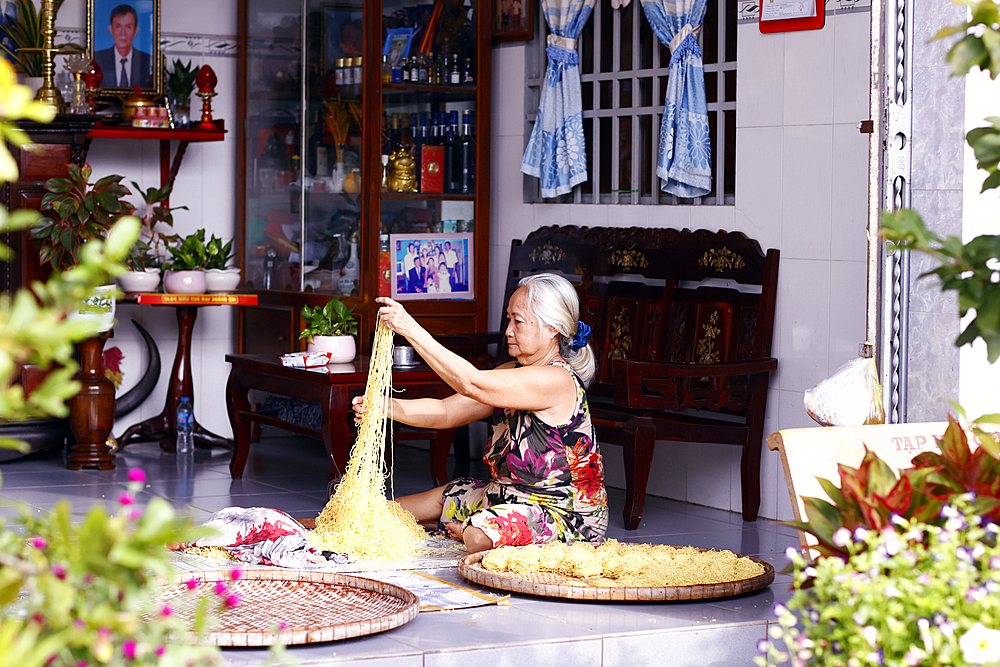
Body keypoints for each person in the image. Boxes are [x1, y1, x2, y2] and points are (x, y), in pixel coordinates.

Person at [352, 273, 607, 552]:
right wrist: (382, 407)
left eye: (518, 322)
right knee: (392, 510)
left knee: (477, 533)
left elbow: (471, 382)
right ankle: (323, 526)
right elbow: (446, 411)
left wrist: (410, 329)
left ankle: (467, 529)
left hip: (561, 516)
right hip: (508, 498)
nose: (508, 330)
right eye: (509, 320)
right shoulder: (511, 372)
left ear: (552, 329)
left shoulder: (555, 379)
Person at [92, 4, 153, 89]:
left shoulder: (147, 61)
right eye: (118, 27)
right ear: (111, 29)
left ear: (136, 31)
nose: (123, 33)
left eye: (128, 27)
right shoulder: (97, 59)